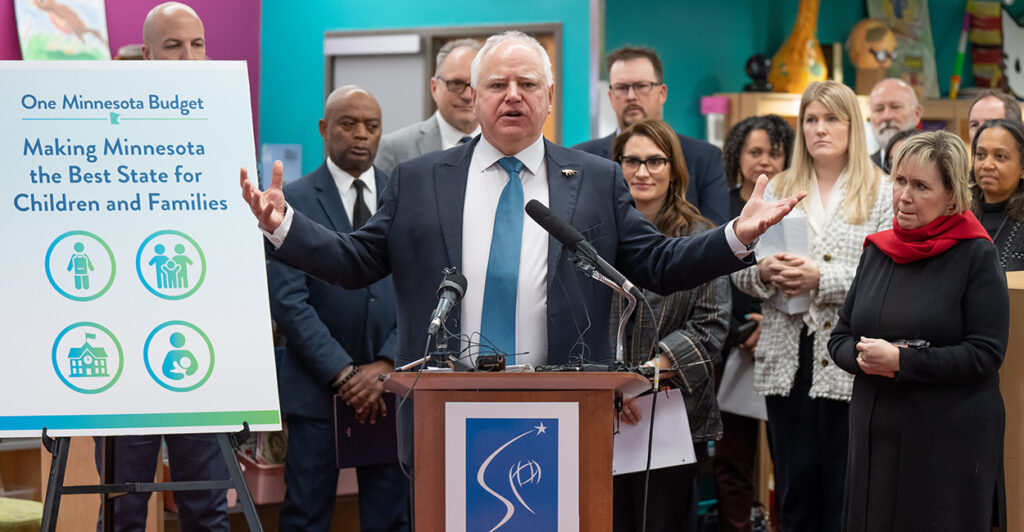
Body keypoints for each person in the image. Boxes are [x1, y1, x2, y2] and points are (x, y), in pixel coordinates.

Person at [240, 31, 804, 465]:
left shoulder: (596, 179)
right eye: (497, 85)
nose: (513, 95)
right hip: (445, 409)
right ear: (474, 96)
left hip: (561, 407)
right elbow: (354, 261)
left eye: (528, 84)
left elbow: (658, 263)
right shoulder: (419, 178)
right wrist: (285, 226)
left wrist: (735, 235)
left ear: (550, 96)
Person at [91, 4, 229, 532]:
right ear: (147, 54)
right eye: (174, 46)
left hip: (202, 346)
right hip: (122, 349)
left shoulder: (223, 126)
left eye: (198, 44)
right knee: (122, 508)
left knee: (207, 506)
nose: (189, 58)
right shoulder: (106, 128)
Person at [730, 80, 891, 532]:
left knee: (845, 492)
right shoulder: (777, 189)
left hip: (850, 359)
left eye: (832, 119)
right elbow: (737, 268)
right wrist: (765, 272)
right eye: (811, 119)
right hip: (787, 357)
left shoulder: (882, 192)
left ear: (852, 125)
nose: (820, 129)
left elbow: (887, 278)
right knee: (794, 491)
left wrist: (823, 277)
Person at [829, 130, 1008, 532]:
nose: (904, 196)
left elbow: (986, 353)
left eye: (921, 186)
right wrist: (862, 357)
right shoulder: (878, 250)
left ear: (952, 196)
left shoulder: (977, 254)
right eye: (899, 181)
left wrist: (902, 361)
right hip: (874, 435)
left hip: (945, 441)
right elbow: (839, 337)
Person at [268, 86, 409, 532]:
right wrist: (345, 375)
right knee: (305, 516)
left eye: (372, 125)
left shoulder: (404, 195)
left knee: (391, 519)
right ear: (324, 129)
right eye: (348, 124)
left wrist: (386, 365)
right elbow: (289, 301)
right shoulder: (291, 201)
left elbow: (419, 289)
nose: (361, 134)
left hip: (389, 390)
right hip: (317, 390)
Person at [608, 119, 729, 532]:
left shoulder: (701, 237)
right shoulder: (596, 236)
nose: (642, 172)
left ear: (674, 169)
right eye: (632, 161)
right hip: (601, 407)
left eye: (655, 161)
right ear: (616, 167)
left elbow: (711, 327)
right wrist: (611, 384)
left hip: (671, 412)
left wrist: (640, 379)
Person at [715, 114, 794, 532]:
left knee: (790, 458)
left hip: (785, 341)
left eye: (774, 153)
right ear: (737, 155)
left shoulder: (795, 207)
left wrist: (770, 325)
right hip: (731, 347)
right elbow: (709, 277)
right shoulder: (719, 205)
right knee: (733, 457)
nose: (764, 161)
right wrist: (740, 332)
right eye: (755, 152)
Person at [573, 46, 730, 224]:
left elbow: (716, 232)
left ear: (662, 93)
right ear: (610, 97)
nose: (631, 96)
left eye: (641, 86)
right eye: (621, 88)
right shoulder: (583, 158)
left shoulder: (704, 157)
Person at [375, 39, 481, 173]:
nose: (467, 95)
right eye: (455, 83)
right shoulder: (394, 149)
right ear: (434, 88)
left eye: (475, 84)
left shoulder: (502, 145)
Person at [971, 118, 1024, 270]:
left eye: (1000, 156)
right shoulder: (957, 213)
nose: (987, 165)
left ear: (1022, 166)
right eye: (980, 155)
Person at [867, 78, 921, 169]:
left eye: (895, 107)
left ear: (916, 114)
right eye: (879, 109)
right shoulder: (859, 171)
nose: (887, 116)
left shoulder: (937, 165)